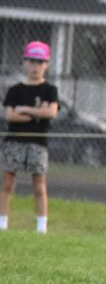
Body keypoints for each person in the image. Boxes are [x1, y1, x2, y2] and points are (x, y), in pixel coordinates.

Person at [3, 40, 59, 235]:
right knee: (8, 183)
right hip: (15, 140)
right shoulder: (15, 90)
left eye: (40, 62)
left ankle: (41, 226)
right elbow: (9, 115)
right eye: (32, 61)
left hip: (38, 143)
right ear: (25, 62)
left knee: (39, 185)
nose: (36, 66)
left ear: (47, 64)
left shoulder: (50, 90)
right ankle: (2, 223)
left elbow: (51, 112)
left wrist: (26, 110)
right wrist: (38, 113)